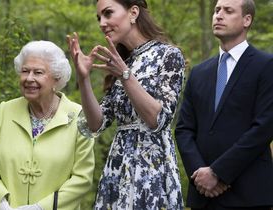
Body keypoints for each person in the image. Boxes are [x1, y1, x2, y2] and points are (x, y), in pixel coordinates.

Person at [67, 0, 185, 209]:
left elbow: (158, 119)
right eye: (99, 18)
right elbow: (96, 124)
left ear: (133, 13)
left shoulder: (168, 55)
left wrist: (125, 75)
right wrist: (83, 78)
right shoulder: (122, 62)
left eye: (108, 13)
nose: (102, 23)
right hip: (118, 169)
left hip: (152, 171)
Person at [175, 0, 273, 209]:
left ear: (247, 20)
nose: (219, 15)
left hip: (248, 194)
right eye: (216, 10)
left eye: (228, 11)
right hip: (203, 195)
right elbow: (184, 129)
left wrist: (219, 173)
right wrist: (200, 174)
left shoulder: (266, 66)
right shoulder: (199, 72)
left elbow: (264, 128)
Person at [0, 40, 95, 210]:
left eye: (38, 72)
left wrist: (41, 208)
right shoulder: (6, 110)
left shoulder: (78, 116)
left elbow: (82, 178)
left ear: (57, 78)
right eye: (25, 71)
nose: (29, 78)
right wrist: (2, 203)